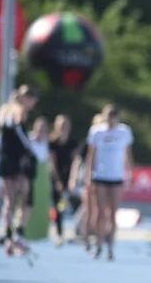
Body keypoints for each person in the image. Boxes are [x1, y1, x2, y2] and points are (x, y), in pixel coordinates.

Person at [85, 104, 133, 261]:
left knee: (113, 213)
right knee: (100, 212)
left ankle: (111, 247)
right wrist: (89, 175)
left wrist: (130, 172)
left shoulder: (124, 131)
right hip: (101, 175)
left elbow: (128, 153)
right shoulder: (97, 131)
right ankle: (98, 244)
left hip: (116, 176)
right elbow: (91, 155)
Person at [0, 84, 39, 255]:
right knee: (26, 197)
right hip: (18, 159)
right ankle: (18, 234)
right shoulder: (19, 109)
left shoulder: (3, 110)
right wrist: (29, 151)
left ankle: (8, 237)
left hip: (6, 157)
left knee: (9, 200)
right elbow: (18, 129)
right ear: (26, 98)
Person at [69, 113, 102, 251]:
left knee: (98, 207)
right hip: (87, 178)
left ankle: (95, 232)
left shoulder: (106, 141)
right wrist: (73, 178)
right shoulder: (88, 142)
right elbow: (78, 160)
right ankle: (81, 232)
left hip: (102, 178)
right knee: (87, 207)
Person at [48, 115, 78, 247]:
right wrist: (58, 181)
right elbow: (52, 164)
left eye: (66, 125)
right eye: (61, 125)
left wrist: (72, 179)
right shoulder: (52, 143)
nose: (63, 128)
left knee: (75, 205)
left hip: (71, 177)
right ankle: (60, 234)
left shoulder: (73, 143)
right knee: (58, 206)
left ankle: (77, 232)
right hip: (57, 178)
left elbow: (76, 162)